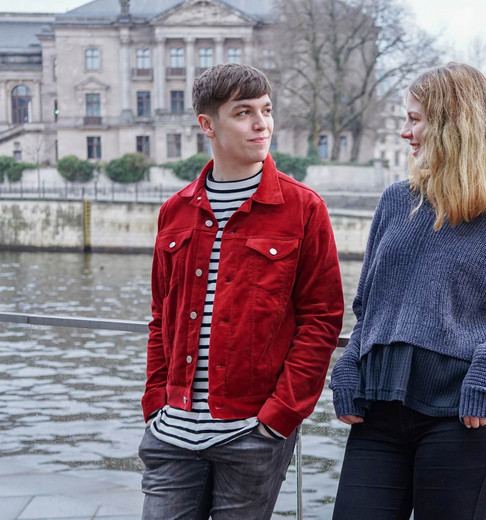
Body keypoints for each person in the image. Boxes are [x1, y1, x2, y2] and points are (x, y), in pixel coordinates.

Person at [329, 63, 486, 520]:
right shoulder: (397, 200)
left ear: (455, 123)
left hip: (462, 413)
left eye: (415, 119)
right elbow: (368, 309)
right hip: (378, 410)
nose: (404, 132)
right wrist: (349, 365)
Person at [138, 63, 344, 519]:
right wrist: (155, 400)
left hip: (251, 432)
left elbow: (322, 318)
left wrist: (280, 416)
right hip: (172, 431)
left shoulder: (303, 209)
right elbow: (161, 316)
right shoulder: (175, 211)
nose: (261, 124)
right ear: (207, 125)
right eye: (244, 112)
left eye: (267, 110)